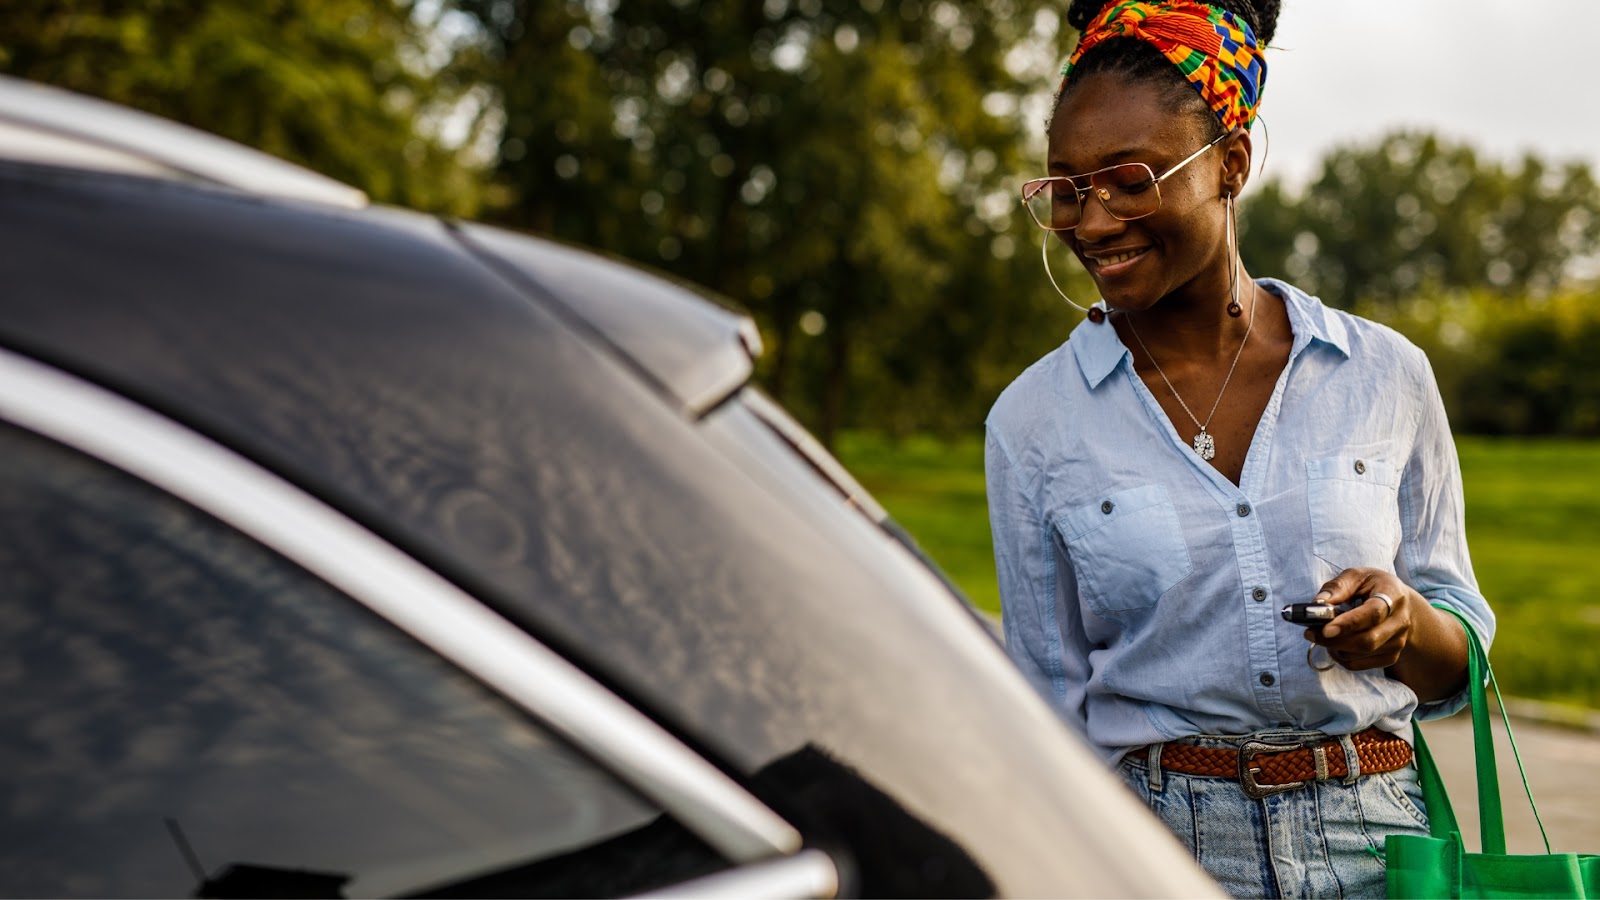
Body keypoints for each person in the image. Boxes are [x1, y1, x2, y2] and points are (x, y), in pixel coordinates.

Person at [985, 1, 1495, 896]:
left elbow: (1466, 660)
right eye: (1067, 188)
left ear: (1231, 164)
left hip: (1377, 845)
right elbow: (1047, 713)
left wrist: (1406, 623)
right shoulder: (1032, 426)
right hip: (1156, 852)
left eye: (1130, 178)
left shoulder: (1384, 374)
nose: (1092, 222)